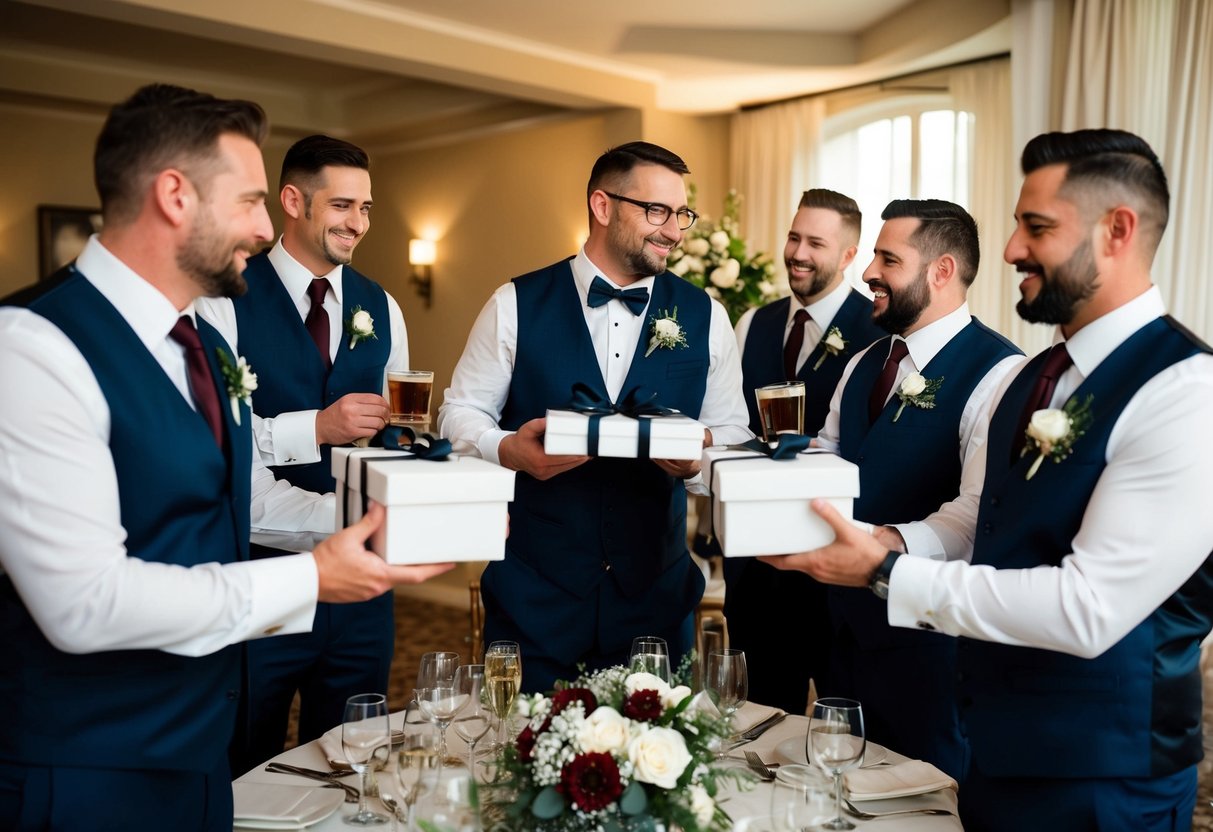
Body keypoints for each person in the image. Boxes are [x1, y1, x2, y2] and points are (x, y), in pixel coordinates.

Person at [0, 83, 452, 832]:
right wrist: (309, 575)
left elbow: (231, 498)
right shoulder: (33, 346)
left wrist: (375, 530)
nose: (261, 226)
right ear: (175, 196)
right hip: (86, 766)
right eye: (248, 202)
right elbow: (82, 605)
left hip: (199, 742)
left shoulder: (203, 345)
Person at [762, 129, 1213, 831]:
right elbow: (981, 518)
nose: (1008, 250)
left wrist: (884, 572)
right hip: (995, 747)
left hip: (1104, 774)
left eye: (1035, 228)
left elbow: (1088, 607)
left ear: (1116, 231)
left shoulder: (1187, 391)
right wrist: (876, 542)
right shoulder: (1035, 377)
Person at [438, 141, 751, 692]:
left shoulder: (706, 315)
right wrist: (506, 450)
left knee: (660, 773)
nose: (675, 231)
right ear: (602, 207)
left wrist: (695, 463)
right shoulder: (514, 303)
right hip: (535, 599)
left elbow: (731, 434)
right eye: (657, 211)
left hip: (655, 606)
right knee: (520, 763)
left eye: (682, 214)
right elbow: (459, 412)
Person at [197, 134, 409, 775]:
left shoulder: (384, 307)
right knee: (243, 756)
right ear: (293, 200)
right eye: (343, 205)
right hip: (263, 576)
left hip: (363, 594)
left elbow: (396, 438)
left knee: (352, 761)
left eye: (367, 208)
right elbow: (221, 445)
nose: (358, 223)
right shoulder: (222, 299)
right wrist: (315, 426)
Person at [814, 199, 1021, 779]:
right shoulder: (862, 364)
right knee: (841, 789)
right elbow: (829, 461)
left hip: (930, 647)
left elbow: (980, 511)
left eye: (888, 258)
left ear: (942, 271)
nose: (868, 273)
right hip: (843, 633)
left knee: (928, 798)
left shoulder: (1001, 373)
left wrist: (884, 545)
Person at [725, 188, 885, 715]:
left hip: (836, 575)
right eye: (794, 236)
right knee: (757, 721)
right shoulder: (753, 324)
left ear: (847, 257)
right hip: (757, 571)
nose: (797, 252)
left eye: (815, 242)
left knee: (843, 725)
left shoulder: (879, 333)